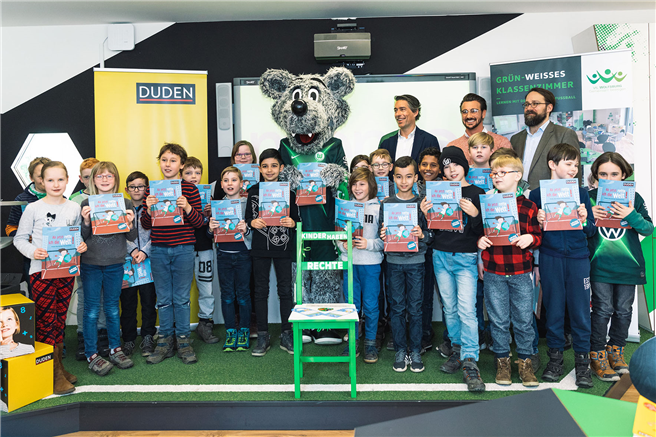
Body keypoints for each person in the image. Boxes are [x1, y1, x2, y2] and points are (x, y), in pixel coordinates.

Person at [14, 161, 87, 395]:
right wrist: (33, 251)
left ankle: (58, 367)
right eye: (50, 180)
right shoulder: (33, 208)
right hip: (40, 273)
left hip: (65, 272)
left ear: (67, 181)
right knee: (47, 321)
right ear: (41, 182)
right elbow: (19, 239)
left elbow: (74, 237)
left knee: (60, 320)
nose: (56, 184)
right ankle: (51, 374)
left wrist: (80, 245)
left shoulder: (73, 208)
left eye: (60, 179)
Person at [529, 143, 596, 388]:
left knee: (580, 311)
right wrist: (538, 221)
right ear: (552, 164)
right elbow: (533, 234)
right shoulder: (536, 196)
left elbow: (590, 231)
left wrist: (584, 219)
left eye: (576, 165)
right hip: (550, 257)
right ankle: (555, 359)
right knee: (554, 310)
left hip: (578, 258)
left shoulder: (582, 194)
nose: (574, 169)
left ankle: (582, 364)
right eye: (568, 164)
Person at [421, 146, 486, 392]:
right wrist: (426, 214)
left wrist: (476, 213)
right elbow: (434, 230)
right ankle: (458, 349)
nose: (451, 170)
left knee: (468, 310)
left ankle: (470, 359)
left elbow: (485, 231)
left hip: (465, 258)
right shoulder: (437, 191)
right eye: (446, 167)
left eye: (455, 165)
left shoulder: (477, 192)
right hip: (440, 255)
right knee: (450, 307)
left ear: (464, 166)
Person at [477, 154, 542, 387]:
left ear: (518, 176)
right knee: (498, 320)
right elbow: (480, 233)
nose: (496, 177)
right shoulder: (487, 203)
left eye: (502, 172)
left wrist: (530, 238)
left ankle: (525, 362)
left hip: (521, 272)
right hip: (494, 271)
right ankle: (502, 361)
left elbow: (538, 236)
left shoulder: (529, 206)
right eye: (494, 173)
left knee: (524, 320)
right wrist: (481, 242)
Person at [588, 152, 654, 380]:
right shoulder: (588, 198)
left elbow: (648, 229)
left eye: (614, 174)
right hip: (599, 265)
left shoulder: (634, 198)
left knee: (624, 311)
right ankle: (596, 354)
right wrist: (588, 215)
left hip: (628, 266)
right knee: (602, 309)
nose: (609, 179)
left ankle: (616, 351)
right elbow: (578, 230)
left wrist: (631, 214)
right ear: (595, 176)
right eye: (603, 174)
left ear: (624, 174)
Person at [141, 143, 205, 365]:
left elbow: (199, 222)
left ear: (181, 164)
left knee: (181, 297)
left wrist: (187, 207)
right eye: (164, 160)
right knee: (164, 298)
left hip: (184, 249)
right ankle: (165, 340)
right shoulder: (152, 189)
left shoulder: (189, 189)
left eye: (173, 160)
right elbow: (146, 224)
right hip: (158, 249)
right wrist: (148, 209)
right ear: (159, 162)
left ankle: (184, 339)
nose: (168, 164)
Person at [80, 161, 137, 375]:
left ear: (116, 179)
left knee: (113, 309)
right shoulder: (86, 202)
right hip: (91, 264)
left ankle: (115, 349)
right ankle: (92, 354)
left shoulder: (126, 203)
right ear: (93, 180)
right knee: (92, 310)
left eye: (109, 176)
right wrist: (86, 222)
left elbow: (131, 236)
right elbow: (82, 237)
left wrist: (130, 223)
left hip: (115, 264)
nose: (105, 180)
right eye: (100, 176)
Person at [378, 156, 433, 373]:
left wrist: (423, 233)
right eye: (399, 177)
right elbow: (384, 235)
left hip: (417, 262)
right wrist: (384, 235)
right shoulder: (387, 203)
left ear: (415, 178)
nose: (404, 181)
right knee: (397, 308)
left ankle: (416, 350)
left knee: (416, 308)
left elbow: (431, 236)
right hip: (393, 262)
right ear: (393, 178)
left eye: (408, 176)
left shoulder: (423, 203)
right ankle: (401, 349)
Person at [246, 149, 300, 357]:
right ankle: (262, 334)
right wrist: (253, 221)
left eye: (274, 166)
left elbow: (297, 220)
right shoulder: (253, 191)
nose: (269, 170)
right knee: (260, 290)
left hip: (283, 247)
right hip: (260, 247)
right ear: (260, 168)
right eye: (265, 166)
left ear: (281, 168)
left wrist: (292, 222)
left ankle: (287, 333)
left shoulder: (290, 192)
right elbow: (247, 218)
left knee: (285, 290)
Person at [337, 167, 383, 363]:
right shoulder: (344, 207)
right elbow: (338, 235)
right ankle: (353, 342)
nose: (357, 188)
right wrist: (343, 245)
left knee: (371, 306)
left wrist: (369, 244)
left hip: (371, 264)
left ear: (371, 186)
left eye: (362, 184)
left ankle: (370, 343)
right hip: (349, 263)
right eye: (354, 184)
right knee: (351, 306)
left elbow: (385, 240)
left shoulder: (379, 208)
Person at [208, 166, 253, 352]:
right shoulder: (217, 205)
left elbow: (254, 232)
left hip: (243, 255)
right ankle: (230, 331)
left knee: (243, 295)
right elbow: (211, 233)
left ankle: (244, 330)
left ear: (241, 184)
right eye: (226, 180)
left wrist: (246, 229)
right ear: (221, 184)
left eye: (234, 180)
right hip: (223, 255)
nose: (229, 184)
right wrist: (210, 227)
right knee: (227, 296)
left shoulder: (248, 204)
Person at [69, 157, 106, 361]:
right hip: (84, 258)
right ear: (81, 179)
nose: (92, 180)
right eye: (87, 176)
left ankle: (102, 334)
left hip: (108, 258)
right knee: (85, 298)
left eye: (96, 175)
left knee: (105, 298)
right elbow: (70, 230)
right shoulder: (74, 200)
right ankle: (84, 336)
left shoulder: (111, 198)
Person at [181, 157, 219, 344]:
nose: (193, 177)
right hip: (183, 249)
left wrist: (213, 212)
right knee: (182, 289)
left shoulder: (208, 196)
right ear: (181, 174)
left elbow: (215, 228)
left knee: (206, 287)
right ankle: (180, 328)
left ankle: (205, 322)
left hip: (204, 248)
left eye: (197, 173)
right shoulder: (177, 196)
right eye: (188, 173)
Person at [511, 87, 580, 190]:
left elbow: (573, 176)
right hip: (520, 200)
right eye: (527, 104)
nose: (529, 108)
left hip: (550, 199)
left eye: (535, 104)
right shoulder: (515, 139)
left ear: (549, 108)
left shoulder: (564, 134)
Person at [120, 171, 157, 357]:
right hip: (128, 264)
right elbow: (118, 233)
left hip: (148, 263)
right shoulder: (120, 209)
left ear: (147, 189)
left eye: (141, 186)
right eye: (133, 186)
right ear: (126, 189)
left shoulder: (153, 208)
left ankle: (149, 336)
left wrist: (144, 251)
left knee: (149, 302)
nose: (136, 190)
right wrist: (133, 250)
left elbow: (158, 232)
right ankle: (128, 339)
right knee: (127, 303)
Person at [5, 157, 51, 296]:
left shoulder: (63, 199)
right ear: (31, 177)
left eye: (48, 176)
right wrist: (28, 240)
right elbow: (10, 228)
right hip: (31, 258)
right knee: (36, 294)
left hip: (56, 256)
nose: (44, 180)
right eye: (40, 176)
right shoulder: (21, 200)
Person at [416, 147, 442, 355]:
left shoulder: (446, 188)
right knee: (423, 293)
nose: (428, 168)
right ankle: (423, 333)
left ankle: (451, 337)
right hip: (420, 248)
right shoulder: (411, 187)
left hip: (443, 247)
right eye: (424, 164)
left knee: (446, 295)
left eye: (433, 164)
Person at [369, 148, 395, 351]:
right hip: (373, 247)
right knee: (376, 291)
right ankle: (377, 330)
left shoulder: (399, 187)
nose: (380, 168)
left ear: (391, 167)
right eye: (376, 164)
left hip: (396, 247)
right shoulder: (365, 189)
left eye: (384, 164)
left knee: (394, 289)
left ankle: (395, 330)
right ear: (370, 168)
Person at [446, 93, 511, 164]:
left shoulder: (501, 143)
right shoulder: (452, 146)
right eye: (465, 112)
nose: (468, 116)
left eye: (473, 111)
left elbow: (511, 171)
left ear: (483, 113)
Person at [378, 95, 440, 163]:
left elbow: (435, 169)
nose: (397, 114)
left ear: (415, 112)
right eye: (396, 110)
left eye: (402, 109)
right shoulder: (386, 141)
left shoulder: (429, 140)